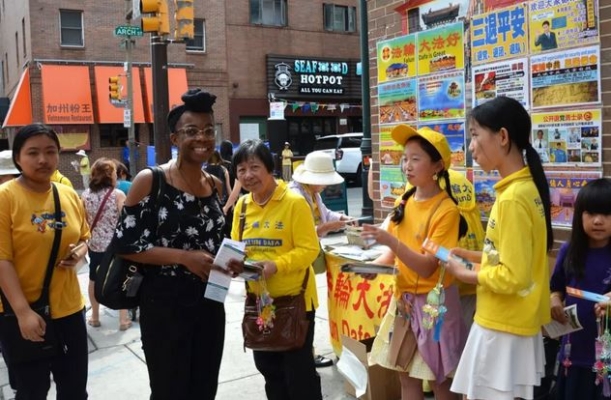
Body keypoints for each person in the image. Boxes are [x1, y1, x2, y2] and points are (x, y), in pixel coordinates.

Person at [114, 89, 242, 400]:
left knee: (204, 388)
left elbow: (213, 241)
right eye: (192, 131)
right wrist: (184, 258)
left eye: (209, 130)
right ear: (174, 139)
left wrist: (230, 261)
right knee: (170, 390)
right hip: (164, 305)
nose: (202, 138)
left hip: (211, 302)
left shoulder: (213, 184)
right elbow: (124, 244)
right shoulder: (151, 180)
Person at [446, 96, 553, 400]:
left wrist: (467, 274)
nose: (471, 146)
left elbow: (514, 276)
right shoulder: (523, 189)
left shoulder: (513, 198)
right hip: (511, 323)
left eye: (475, 134)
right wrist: (473, 256)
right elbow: (515, 257)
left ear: (503, 137)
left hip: (502, 325)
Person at [361, 125, 467, 400]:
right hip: (404, 304)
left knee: (441, 380)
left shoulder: (447, 211)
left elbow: (428, 266)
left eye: (415, 158)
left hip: (435, 308)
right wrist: (374, 268)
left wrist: (389, 242)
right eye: (405, 158)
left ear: (437, 166)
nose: (407, 165)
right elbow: (392, 255)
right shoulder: (404, 200)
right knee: (405, 376)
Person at [0, 124, 90, 399]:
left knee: (74, 390)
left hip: (69, 310)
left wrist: (79, 251)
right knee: (32, 391)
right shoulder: (6, 198)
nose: (43, 159)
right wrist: (23, 313)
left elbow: (86, 236)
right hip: (23, 313)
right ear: (18, 158)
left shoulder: (68, 195)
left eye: (50, 152)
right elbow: (2, 259)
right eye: (33, 152)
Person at [231, 139, 322, 400]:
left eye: (254, 167)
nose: (248, 175)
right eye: (241, 170)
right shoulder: (243, 206)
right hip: (260, 303)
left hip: (295, 303)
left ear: (269, 168)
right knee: (269, 370)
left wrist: (275, 266)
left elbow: (309, 250)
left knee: (299, 374)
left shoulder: (294, 203)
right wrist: (235, 263)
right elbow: (238, 246)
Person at [289, 152, 354, 369]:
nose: (325, 186)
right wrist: (328, 227)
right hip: (299, 259)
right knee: (304, 307)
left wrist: (341, 218)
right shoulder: (297, 196)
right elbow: (303, 231)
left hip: (309, 257)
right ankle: (306, 353)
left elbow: (324, 213)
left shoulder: (312, 194)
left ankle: (307, 352)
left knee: (308, 306)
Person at [550, 178, 611, 399]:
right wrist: (555, 300)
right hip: (573, 354)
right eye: (591, 213)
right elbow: (556, 288)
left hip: (607, 357)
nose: (598, 221)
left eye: (606, 214)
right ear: (579, 215)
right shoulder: (569, 250)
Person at [81, 158, 130, 331]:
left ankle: (94, 317)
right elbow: (125, 221)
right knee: (119, 279)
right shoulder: (117, 195)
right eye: (115, 173)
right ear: (109, 175)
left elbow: (84, 221)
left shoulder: (85, 195)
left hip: (95, 246)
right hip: (115, 247)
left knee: (94, 279)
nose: (116, 176)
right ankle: (123, 319)